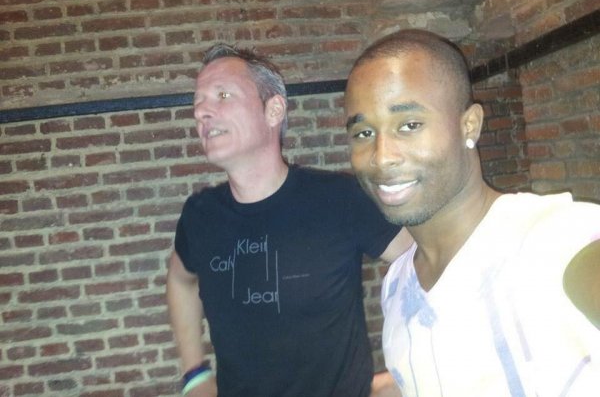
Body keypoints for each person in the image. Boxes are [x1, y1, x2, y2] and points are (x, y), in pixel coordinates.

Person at [344, 29, 600, 397]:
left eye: (410, 125)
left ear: (470, 125)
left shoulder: (552, 240)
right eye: (364, 133)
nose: (382, 157)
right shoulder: (398, 285)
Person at [166, 43, 412, 397]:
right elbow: (180, 280)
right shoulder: (200, 216)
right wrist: (194, 373)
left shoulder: (339, 199)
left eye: (223, 95)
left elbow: (424, 263)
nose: (202, 111)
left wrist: (410, 370)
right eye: (198, 101)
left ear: (274, 110)